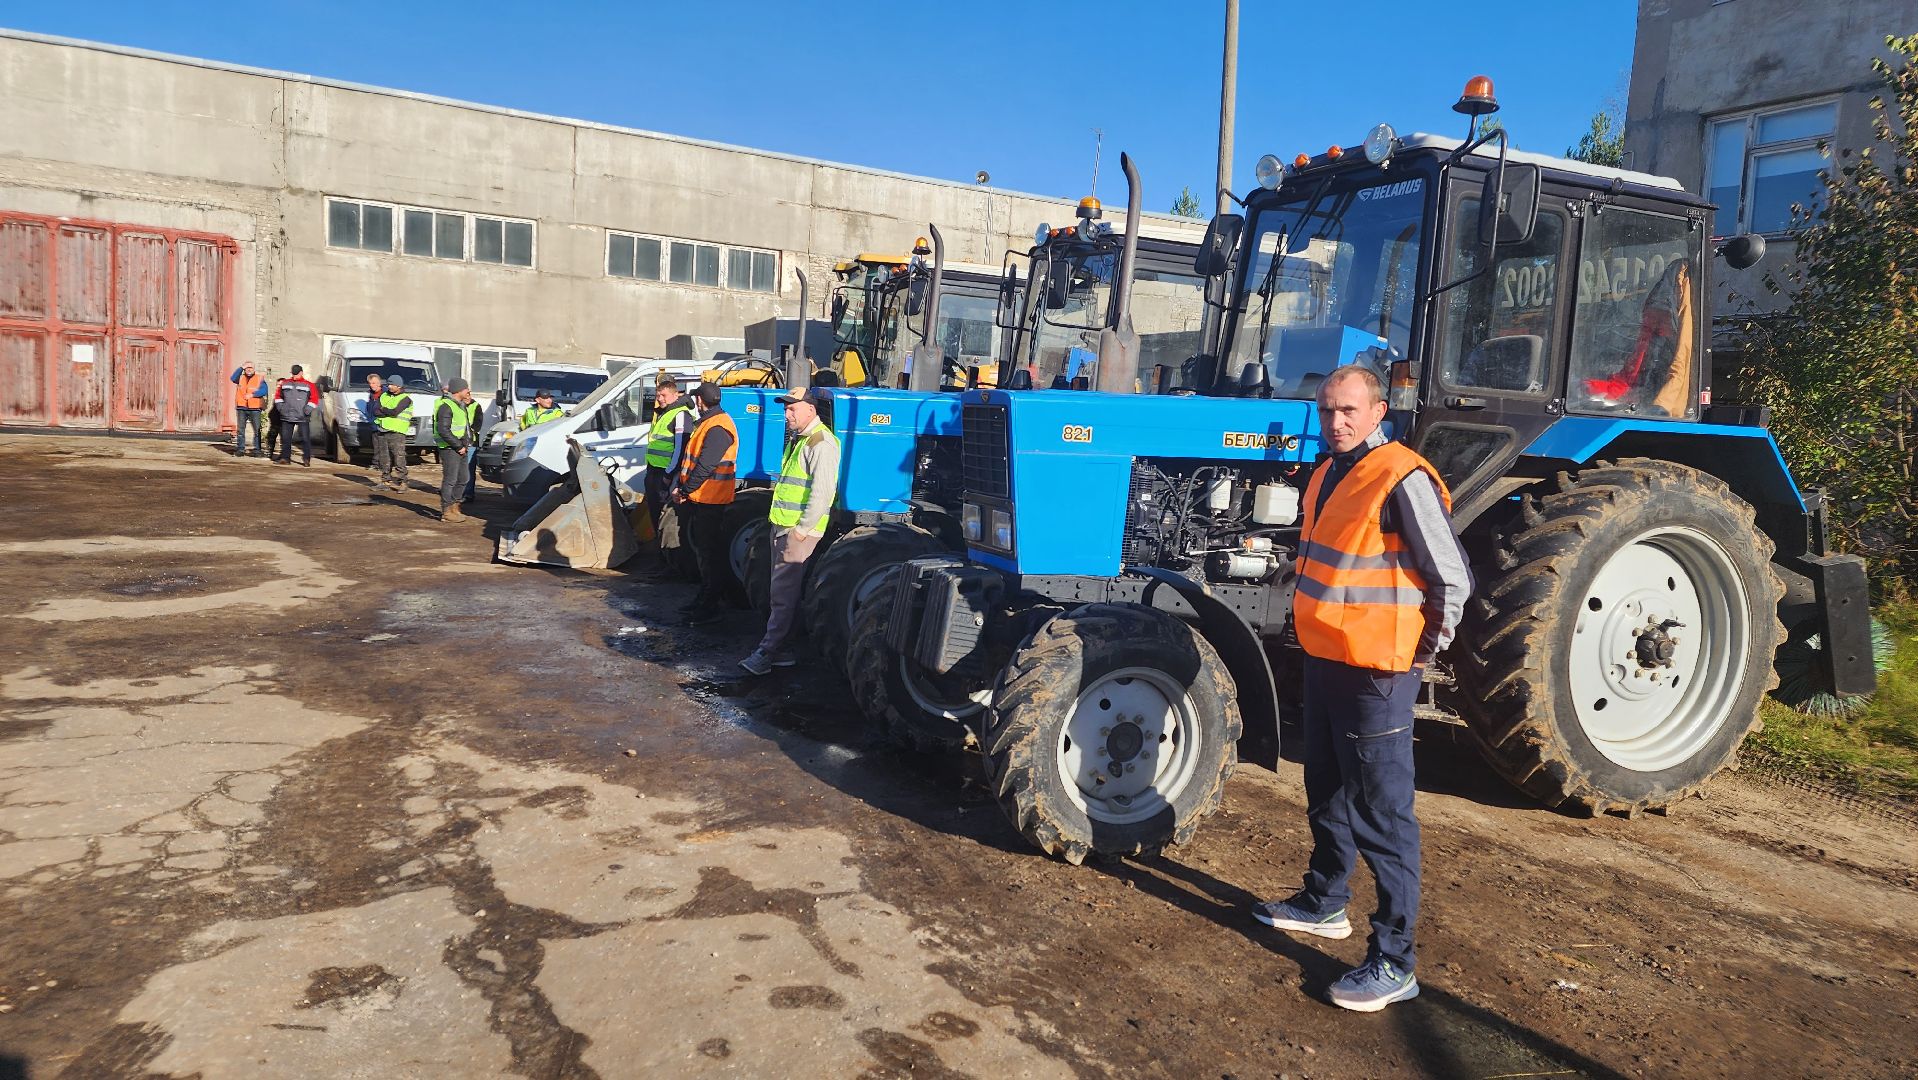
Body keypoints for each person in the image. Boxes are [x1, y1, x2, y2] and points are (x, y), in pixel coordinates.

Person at [1251, 364, 1471, 1014]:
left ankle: (1395, 960)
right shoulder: (1326, 472)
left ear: (1378, 411)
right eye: (1327, 411)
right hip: (1327, 660)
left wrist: (1413, 661)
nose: (1336, 422)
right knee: (1327, 787)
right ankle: (1324, 902)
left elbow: (1451, 579)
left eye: (1348, 410)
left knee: (1383, 813)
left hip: (1378, 672)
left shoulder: (1402, 475)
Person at [740, 385, 840, 675]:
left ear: (810, 409)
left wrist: (801, 530)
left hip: (796, 533)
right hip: (783, 527)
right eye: (786, 408)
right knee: (782, 593)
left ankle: (767, 653)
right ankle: (783, 651)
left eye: (792, 408)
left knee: (782, 596)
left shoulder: (822, 443)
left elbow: (822, 494)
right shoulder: (802, 440)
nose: (786, 414)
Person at [670, 381, 737, 625]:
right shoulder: (712, 423)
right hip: (705, 498)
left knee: (710, 554)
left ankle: (710, 604)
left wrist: (685, 490)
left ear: (700, 401)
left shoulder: (717, 427)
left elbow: (706, 466)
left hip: (711, 500)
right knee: (705, 553)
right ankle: (704, 598)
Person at [643, 377, 693, 533]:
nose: (660, 399)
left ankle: (663, 551)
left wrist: (669, 474)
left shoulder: (680, 415)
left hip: (665, 474)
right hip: (653, 470)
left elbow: (680, 448)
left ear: (675, 395)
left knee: (662, 514)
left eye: (663, 395)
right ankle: (657, 545)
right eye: (658, 395)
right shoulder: (664, 413)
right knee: (654, 511)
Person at [433, 378, 477, 522]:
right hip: (450, 448)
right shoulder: (446, 406)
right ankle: (447, 510)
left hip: (461, 446)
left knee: (464, 478)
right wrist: (458, 446)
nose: (468, 391)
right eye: (466, 389)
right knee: (450, 479)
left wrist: (465, 444)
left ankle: (455, 506)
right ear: (458, 391)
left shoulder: (460, 406)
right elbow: (443, 430)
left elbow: (462, 428)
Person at [372, 376, 414, 490]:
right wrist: (385, 411)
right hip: (382, 430)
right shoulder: (384, 395)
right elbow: (375, 411)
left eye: (391, 385)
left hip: (397, 431)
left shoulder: (405, 399)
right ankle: (385, 481)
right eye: (388, 384)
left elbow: (395, 412)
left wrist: (383, 409)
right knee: (384, 458)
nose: (389, 386)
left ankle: (403, 482)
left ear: (398, 386)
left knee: (398, 457)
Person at [272, 364, 319, 467]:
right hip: (287, 415)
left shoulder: (309, 385)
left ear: (301, 373)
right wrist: (281, 408)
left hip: (302, 416)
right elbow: (278, 396)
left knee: (305, 439)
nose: (294, 376)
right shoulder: (285, 383)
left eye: (296, 374)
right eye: (293, 374)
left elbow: (314, 398)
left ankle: (306, 459)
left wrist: (307, 410)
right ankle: (285, 458)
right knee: (286, 438)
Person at [229, 361, 268, 457]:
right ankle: (240, 449)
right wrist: (241, 367)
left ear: (254, 369)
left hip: (254, 407)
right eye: (247, 368)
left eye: (251, 367)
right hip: (242, 407)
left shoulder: (259, 378)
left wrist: (253, 395)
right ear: (244, 369)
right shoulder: (240, 377)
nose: (249, 369)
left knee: (257, 430)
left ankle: (257, 450)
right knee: (241, 430)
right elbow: (233, 378)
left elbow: (264, 390)